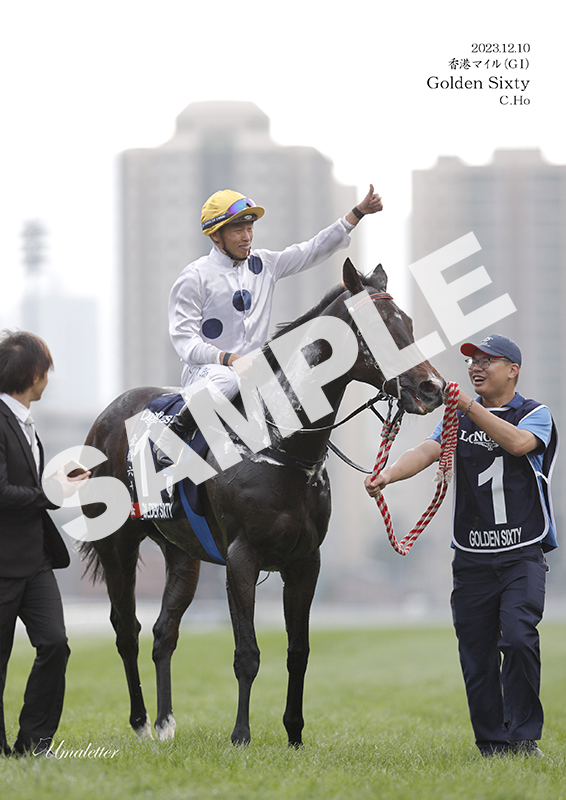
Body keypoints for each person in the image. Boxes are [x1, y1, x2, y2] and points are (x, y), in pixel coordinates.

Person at [364, 334, 558, 757]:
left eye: (488, 360)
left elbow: (518, 444)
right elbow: (428, 449)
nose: (476, 367)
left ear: (513, 370)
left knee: (519, 639)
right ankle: (492, 744)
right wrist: (388, 475)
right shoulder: (457, 418)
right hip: (471, 558)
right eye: (472, 361)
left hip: (522, 555)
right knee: (476, 654)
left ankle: (523, 738)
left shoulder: (535, 414)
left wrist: (467, 406)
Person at [154, 185, 383, 466]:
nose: (247, 237)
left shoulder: (265, 264)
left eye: (249, 228)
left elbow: (312, 250)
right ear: (215, 235)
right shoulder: (194, 277)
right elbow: (184, 343)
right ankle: (172, 435)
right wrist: (228, 359)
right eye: (238, 230)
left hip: (253, 368)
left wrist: (357, 213)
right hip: (208, 372)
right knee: (228, 380)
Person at [0, 330, 90, 757]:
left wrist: (55, 484)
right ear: (34, 374)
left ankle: (34, 743)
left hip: (35, 560)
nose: (48, 379)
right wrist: (51, 493)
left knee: (54, 643)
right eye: (46, 371)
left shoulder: (25, 423)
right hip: (2, 563)